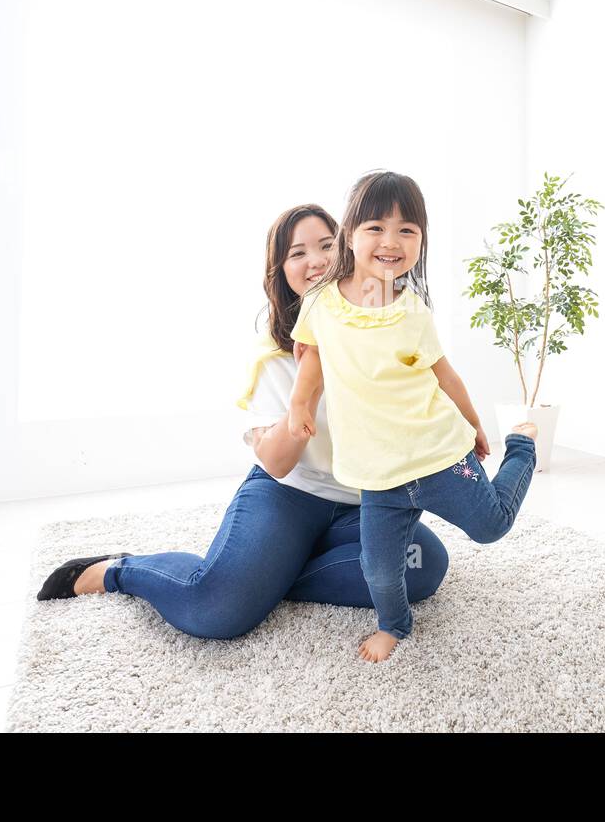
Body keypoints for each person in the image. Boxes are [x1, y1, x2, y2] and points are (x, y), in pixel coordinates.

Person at [35, 204, 451, 644]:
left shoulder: (393, 326)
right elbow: (276, 463)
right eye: (298, 253)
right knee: (214, 610)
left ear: (348, 248)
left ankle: (266, 578)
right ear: (281, 272)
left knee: (423, 567)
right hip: (289, 494)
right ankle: (118, 571)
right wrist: (312, 383)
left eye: (327, 245)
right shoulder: (276, 354)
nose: (316, 261)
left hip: (363, 504)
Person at [286, 170, 538, 662]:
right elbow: (312, 356)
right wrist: (299, 404)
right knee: (379, 570)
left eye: (407, 230)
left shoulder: (412, 311)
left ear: (421, 241)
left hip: (438, 455)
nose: (391, 241)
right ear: (351, 234)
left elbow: (446, 377)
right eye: (376, 227)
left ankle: (523, 445)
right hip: (378, 475)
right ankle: (394, 624)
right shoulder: (321, 302)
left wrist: (475, 426)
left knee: (491, 526)